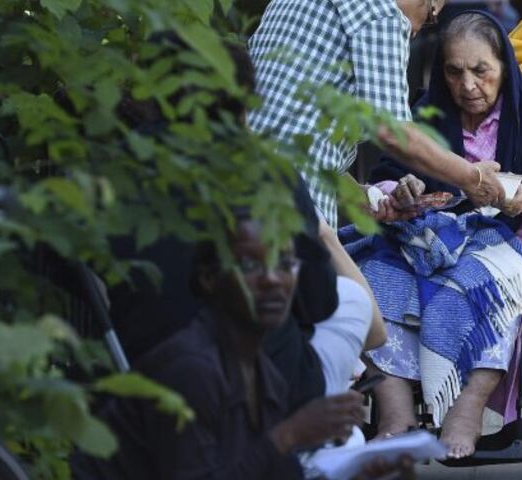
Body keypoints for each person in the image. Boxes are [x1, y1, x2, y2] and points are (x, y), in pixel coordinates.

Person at [343, 11, 522, 459]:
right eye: (454, 71)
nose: (468, 85)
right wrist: (400, 191)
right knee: (365, 278)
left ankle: (468, 407)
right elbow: (385, 179)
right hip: (430, 244)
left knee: (484, 284)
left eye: (481, 70)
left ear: (503, 66)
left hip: (521, 243)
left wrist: (519, 200)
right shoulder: (427, 114)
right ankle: (395, 410)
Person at [109, 41, 384, 411]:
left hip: (142, 369)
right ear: (246, 99)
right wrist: (323, 234)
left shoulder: (111, 174)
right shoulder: (268, 173)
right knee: (351, 299)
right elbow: (318, 302)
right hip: (265, 386)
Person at [73, 214, 414, 479]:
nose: (272, 279)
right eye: (250, 267)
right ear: (208, 279)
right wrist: (288, 436)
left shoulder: (256, 363)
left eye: (284, 264)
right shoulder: (192, 367)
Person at [247, 0, 505, 229]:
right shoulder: (381, 10)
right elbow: (393, 133)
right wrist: (472, 177)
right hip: (290, 203)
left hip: (240, 173)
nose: (417, 31)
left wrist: (367, 198)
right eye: (430, 15)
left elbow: (297, 133)